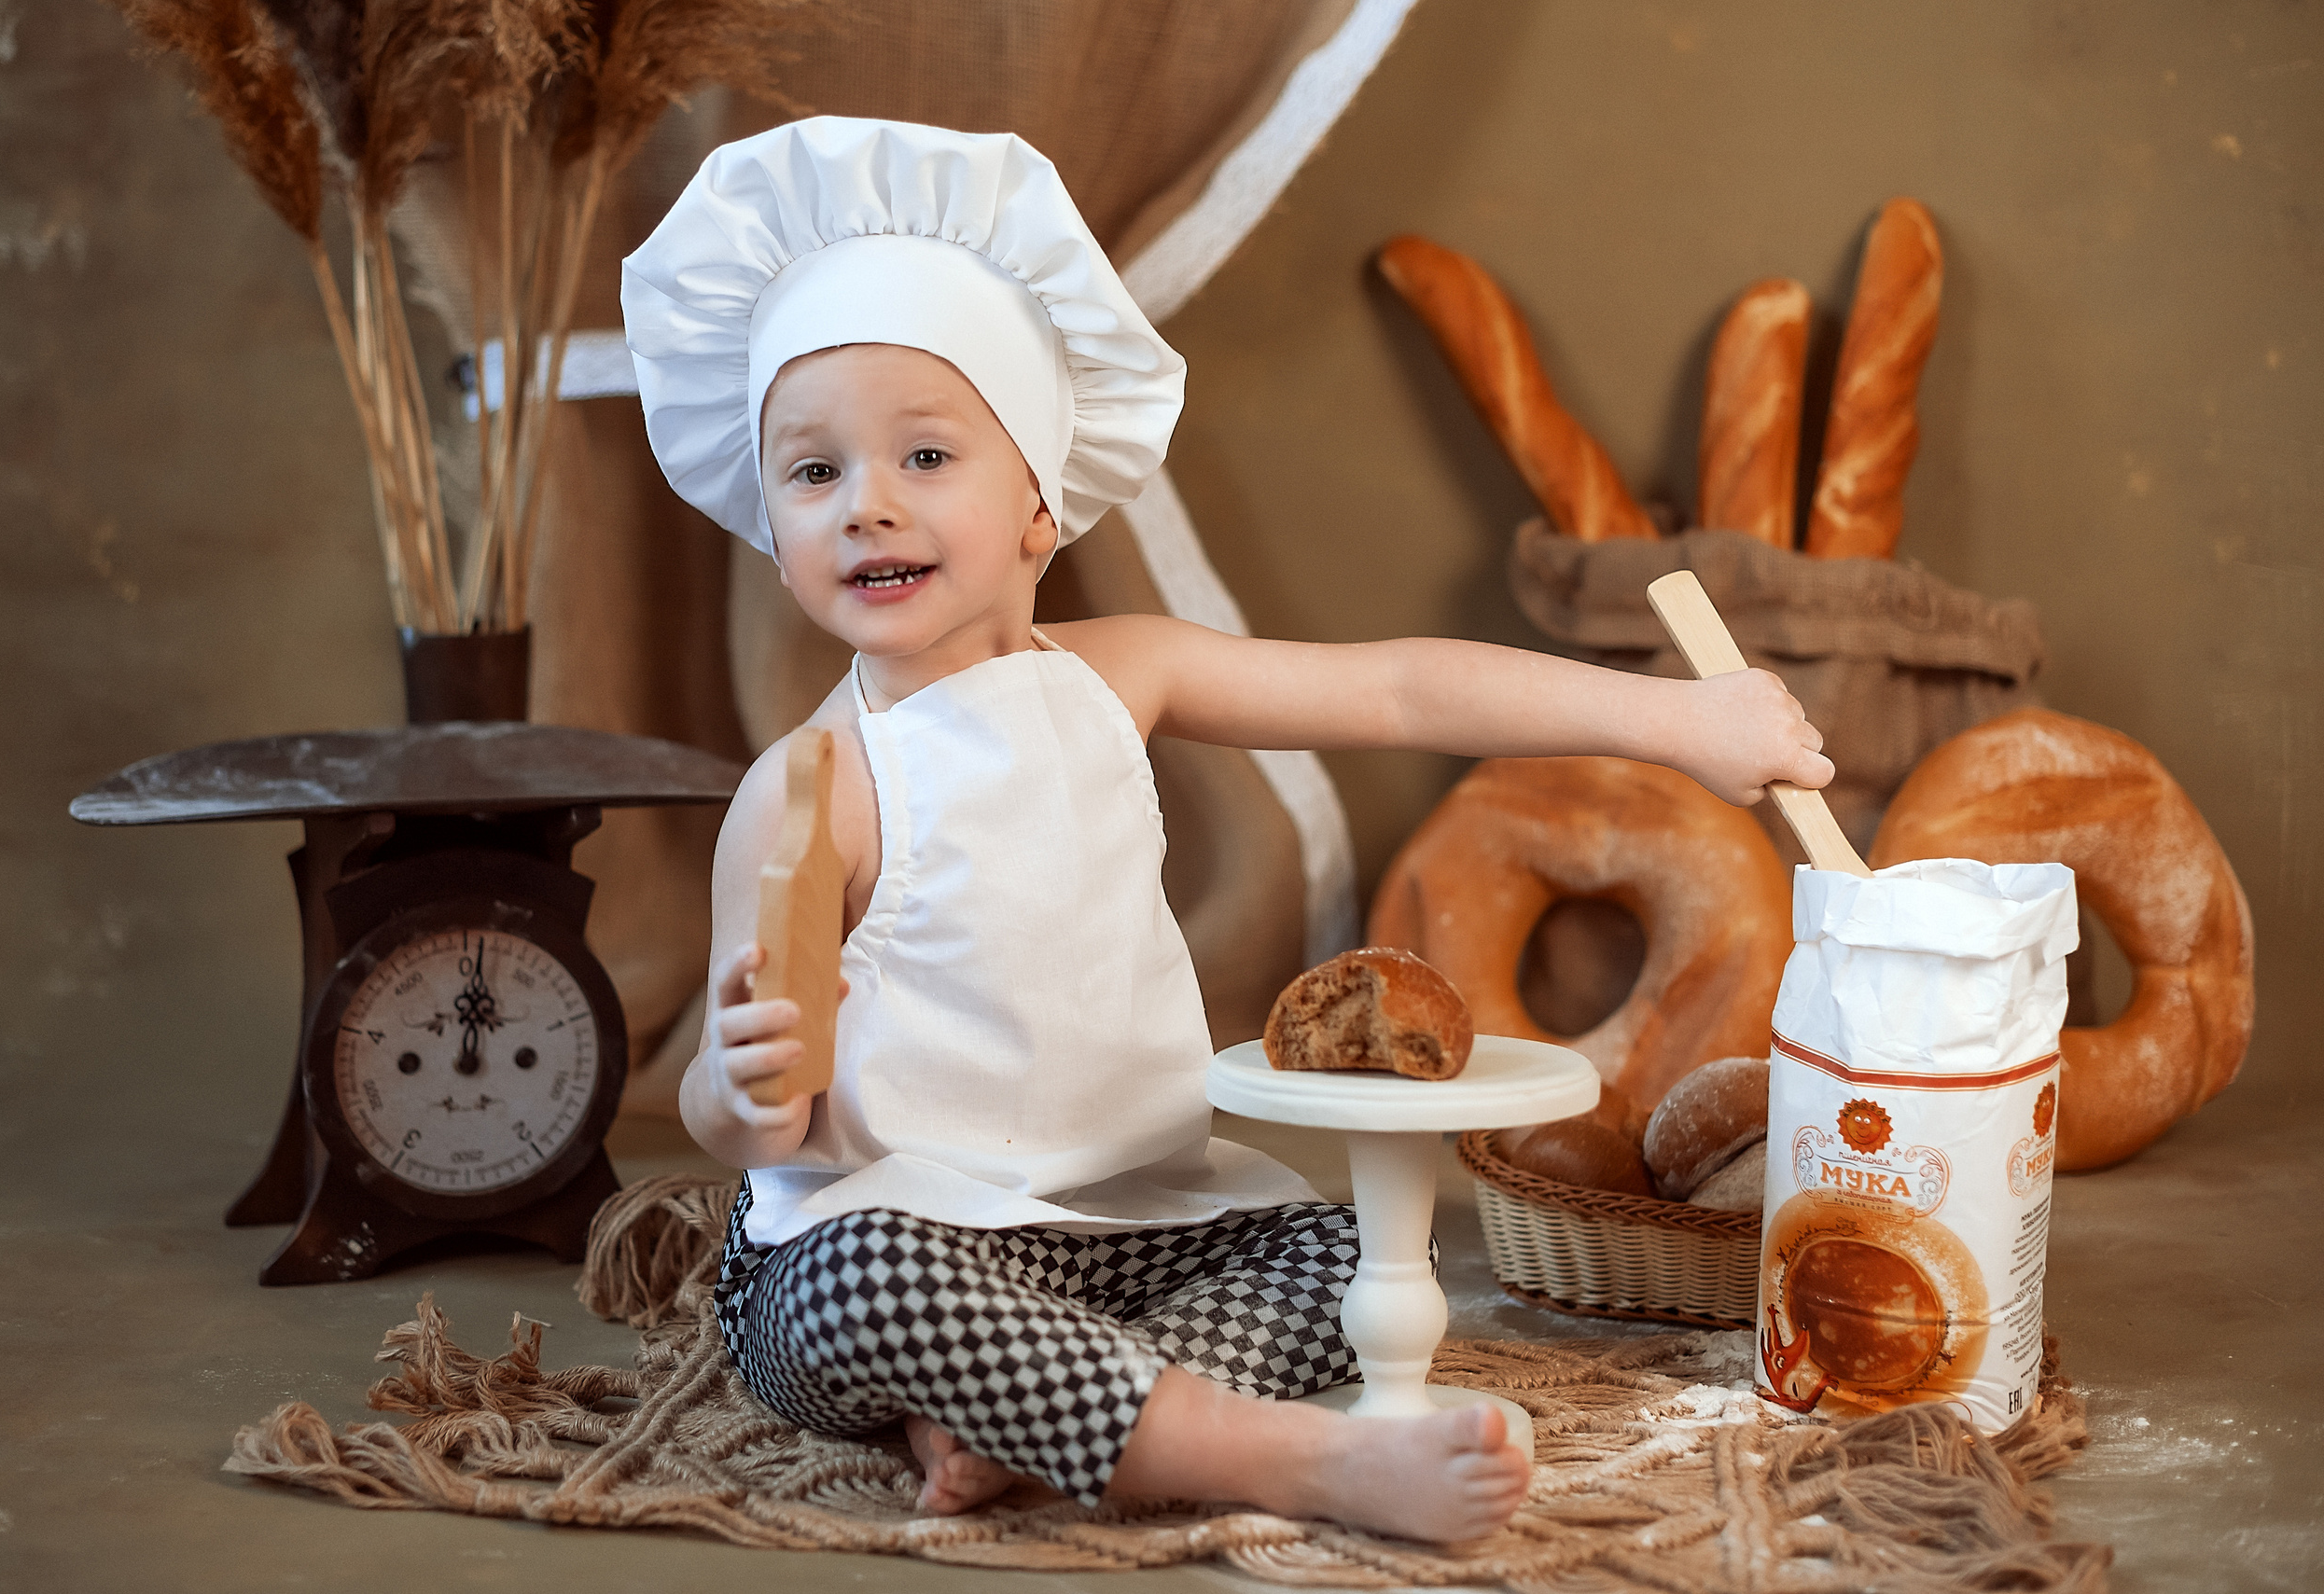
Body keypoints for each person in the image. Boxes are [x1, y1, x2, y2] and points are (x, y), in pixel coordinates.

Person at [624, 118, 1831, 1544]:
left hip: (1129, 1229)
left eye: (926, 452)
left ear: (1038, 499)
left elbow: (1389, 682)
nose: (865, 502)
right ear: (773, 523)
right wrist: (745, 1088)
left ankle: (1031, 1422)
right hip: (890, 1250)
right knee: (856, 1281)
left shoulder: (1124, 671)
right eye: (812, 473)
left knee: (1350, 1251)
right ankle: (1288, 1461)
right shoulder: (814, 785)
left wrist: (1679, 722)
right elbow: (738, 1112)